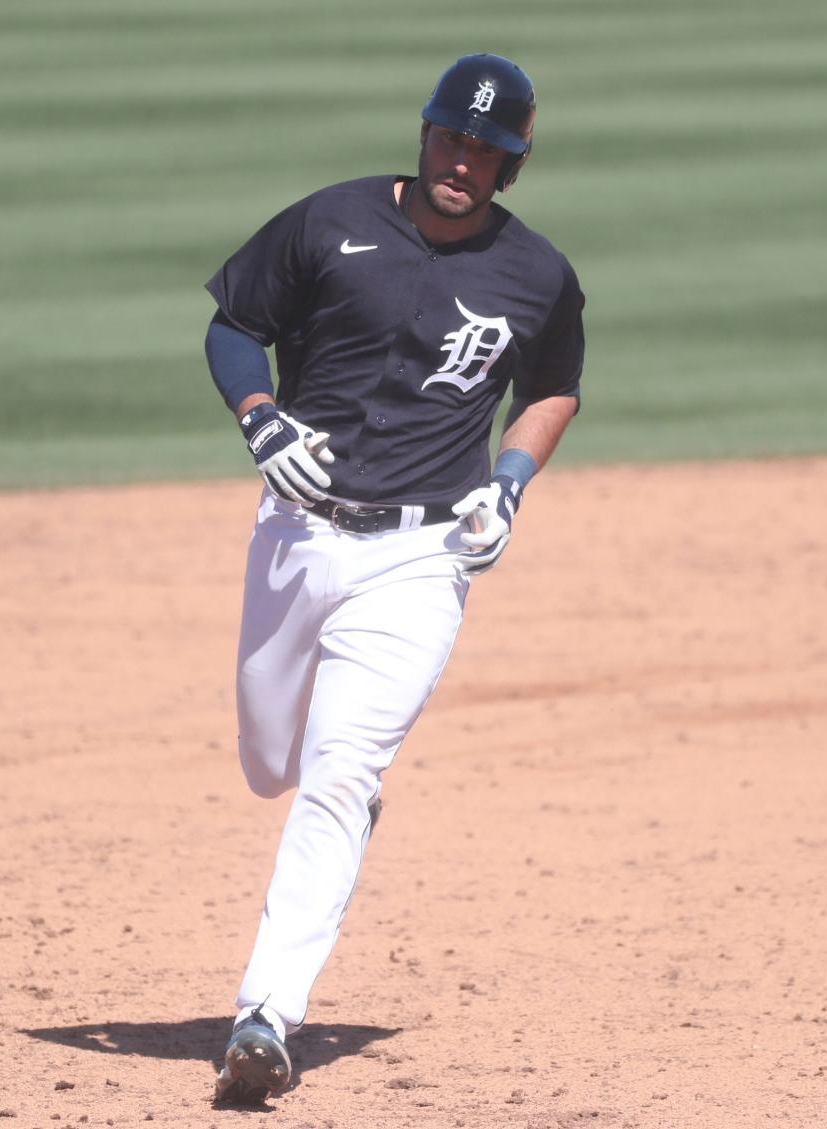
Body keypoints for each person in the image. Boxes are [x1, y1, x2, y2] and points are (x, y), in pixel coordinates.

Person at [203, 52, 585, 1104]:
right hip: (293, 534)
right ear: (425, 134)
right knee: (268, 761)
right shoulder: (327, 223)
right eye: (452, 138)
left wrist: (509, 483)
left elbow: (553, 389)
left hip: (420, 558)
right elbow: (235, 324)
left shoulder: (537, 275)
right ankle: (325, 786)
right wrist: (259, 415)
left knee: (337, 772)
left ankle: (264, 1016)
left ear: (513, 165)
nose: (464, 160)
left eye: (488, 149)